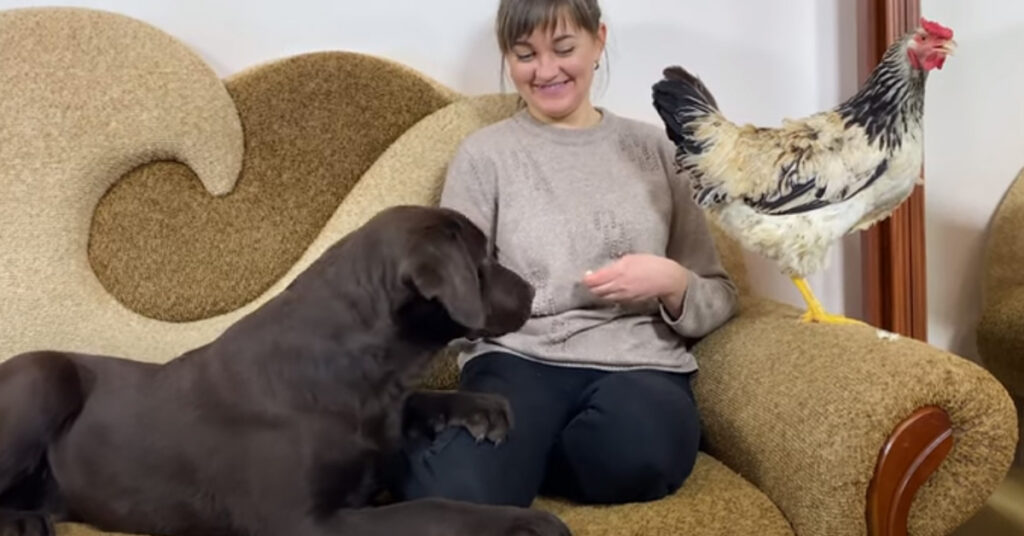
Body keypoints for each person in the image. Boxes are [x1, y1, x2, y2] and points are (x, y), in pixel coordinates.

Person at [399, 0, 738, 507]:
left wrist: (671, 281)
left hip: (636, 366)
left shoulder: (658, 152)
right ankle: (497, 459)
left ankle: (522, 460)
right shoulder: (484, 156)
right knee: (458, 488)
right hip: (516, 359)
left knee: (635, 459)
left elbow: (718, 293)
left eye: (563, 49)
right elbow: (454, 293)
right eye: (525, 55)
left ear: (598, 41)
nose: (546, 71)